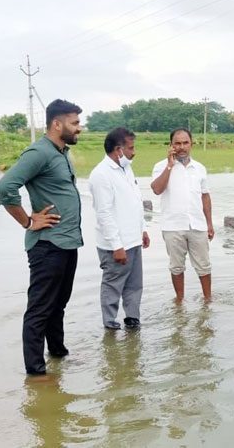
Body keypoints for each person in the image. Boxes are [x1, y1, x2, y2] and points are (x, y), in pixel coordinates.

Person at [0, 99, 83, 377]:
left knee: (59, 304)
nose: (79, 128)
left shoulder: (61, 152)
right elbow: (5, 187)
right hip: (47, 246)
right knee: (40, 308)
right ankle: (36, 373)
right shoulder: (39, 153)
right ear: (57, 124)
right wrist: (28, 220)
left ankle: (57, 353)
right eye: (75, 123)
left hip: (67, 243)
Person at [88, 127, 150, 330]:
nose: (134, 152)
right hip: (115, 245)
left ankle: (132, 319)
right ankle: (110, 324)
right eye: (131, 148)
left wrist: (143, 229)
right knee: (113, 285)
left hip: (133, 240)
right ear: (118, 150)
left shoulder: (126, 169)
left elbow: (134, 201)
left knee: (134, 285)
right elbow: (104, 214)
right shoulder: (101, 175)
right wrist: (117, 246)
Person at [150, 128, 214, 302]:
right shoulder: (161, 166)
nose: (181, 147)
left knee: (204, 266)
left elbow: (205, 195)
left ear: (191, 144)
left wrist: (209, 223)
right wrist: (170, 165)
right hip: (172, 226)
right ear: (171, 145)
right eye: (177, 143)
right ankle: (180, 301)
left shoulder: (199, 168)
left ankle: (208, 300)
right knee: (176, 267)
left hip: (197, 225)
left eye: (185, 143)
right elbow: (156, 189)